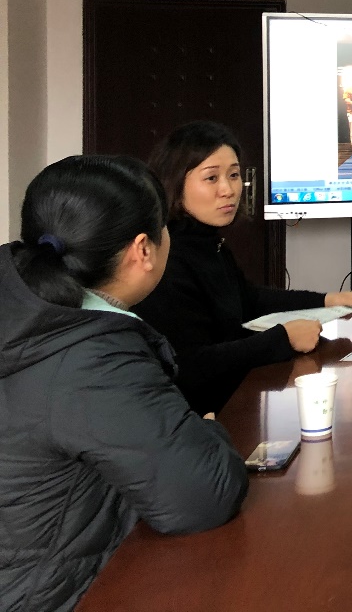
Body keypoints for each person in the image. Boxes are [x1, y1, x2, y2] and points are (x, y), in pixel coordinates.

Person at [0, 155, 248, 611]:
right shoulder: (91, 356)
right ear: (143, 250)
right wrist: (208, 429)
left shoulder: (25, 311)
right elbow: (203, 496)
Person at [135, 122, 352, 414]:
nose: (228, 190)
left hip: (232, 397)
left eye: (233, 175)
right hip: (201, 416)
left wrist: (326, 300)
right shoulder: (168, 257)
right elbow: (190, 364)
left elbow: (248, 299)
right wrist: (283, 338)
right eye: (211, 178)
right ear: (175, 184)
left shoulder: (207, 242)